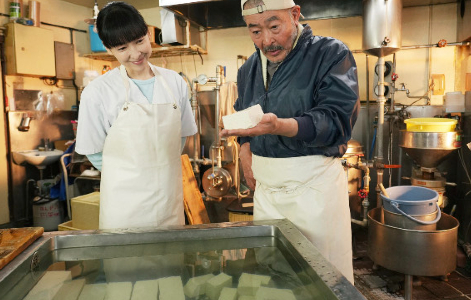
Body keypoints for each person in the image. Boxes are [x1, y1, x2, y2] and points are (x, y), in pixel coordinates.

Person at [220, 0, 360, 283]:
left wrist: (281, 126)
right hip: (267, 192)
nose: (267, 41)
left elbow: (336, 121)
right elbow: (245, 116)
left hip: (313, 192)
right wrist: (245, 151)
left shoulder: (330, 53)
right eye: (255, 31)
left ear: (295, 15)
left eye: (274, 26)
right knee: (271, 278)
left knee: (321, 279)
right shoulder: (248, 69)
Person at [75, 1, 197, 230]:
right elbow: (93, 150)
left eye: (140, 41)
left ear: (148, 33)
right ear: (108, 48)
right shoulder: (98, 92)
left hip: (169, 204)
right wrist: (132, 175)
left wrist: (158, 170)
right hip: (124, 209)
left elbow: (180, 138)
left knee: (170, 263)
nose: (135, 53)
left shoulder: (175, 83)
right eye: (122, 49)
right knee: (126, 264)